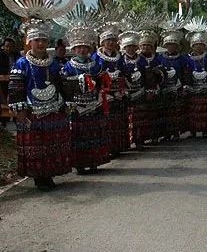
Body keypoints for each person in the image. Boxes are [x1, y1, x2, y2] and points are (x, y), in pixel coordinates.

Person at [8, 21, 71, 190]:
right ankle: (38, 177)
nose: (41, 43)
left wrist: (66, 103)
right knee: (36, 146)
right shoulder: (21, 63)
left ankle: (49, 174)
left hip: (54, 110)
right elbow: (15, 89)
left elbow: (62, 85)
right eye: (37, 40)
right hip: (32, 112)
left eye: (44, 40)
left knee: (51, 144)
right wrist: (19, 110)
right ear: (29, 41)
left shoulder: (54, 64)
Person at [62, 24, 109, 174]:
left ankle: (94, 161)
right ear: (74, 49)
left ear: (89, 49)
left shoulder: (96, 65)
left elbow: (103, 83)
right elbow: (64, 86)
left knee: (94, 133)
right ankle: (80, 164)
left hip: (94, 103)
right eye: (78, 47)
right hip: (77, 106)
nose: (82, 50)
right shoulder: (68, 66)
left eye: (84, 47)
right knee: (78, 136)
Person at [92, 24, 128, 156]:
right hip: (104, 96)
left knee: (118, 122)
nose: (111, 43)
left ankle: (118, 146)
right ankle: (107, 149)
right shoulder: (96, 57)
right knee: (106, 123)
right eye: (108, 40)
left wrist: (122, 89)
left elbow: (123, 73)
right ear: (103, 42)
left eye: (113, 40)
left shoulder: (119, 57)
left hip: (118, 94)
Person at [158, 28, 191, 141]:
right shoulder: (160, 58)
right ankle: (166, 133)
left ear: (177, 46)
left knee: (176, 112)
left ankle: (176, 132)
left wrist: (185, 85)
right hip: (164, 89)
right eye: (169, 45)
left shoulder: (182, 59)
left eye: (173, 45)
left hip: (178, 89)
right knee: (165, 112)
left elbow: (186, 73)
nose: (171, 47)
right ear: (165, 46)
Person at [118, 30, 149, 149]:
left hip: (140, 91)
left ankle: (140, 139)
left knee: (140, 117)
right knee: (128, 118)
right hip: (127, 93)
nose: (130, 49)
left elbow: (147, 76)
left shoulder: (141, 60)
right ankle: (129, 141)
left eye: (132, 46)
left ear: (136, 47)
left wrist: (148, 90)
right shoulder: (120, 60)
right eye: (128, 46)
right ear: (124, 47)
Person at [185, 29, 207, 138]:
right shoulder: (187, 59)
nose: (198, 47)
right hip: (192, 88)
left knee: (205, 110)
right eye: (196, 44)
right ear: (192, 46)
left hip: (205, 88)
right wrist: (187, 85)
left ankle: (205, 130)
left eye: (201, 44)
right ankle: (192, 131)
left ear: (205, 46)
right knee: (192, 110)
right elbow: (186, 73)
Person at [139, 30, 165, 144]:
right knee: (143, 116)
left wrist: (157, 73)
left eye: (148, 45)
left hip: (155, 90)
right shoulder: (137, 59)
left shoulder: (157, 58)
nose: (146, 47)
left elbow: (163, 73)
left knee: (155, 115)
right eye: (143, 45)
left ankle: (155, 136)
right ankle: (142, 138)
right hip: (141, 92)